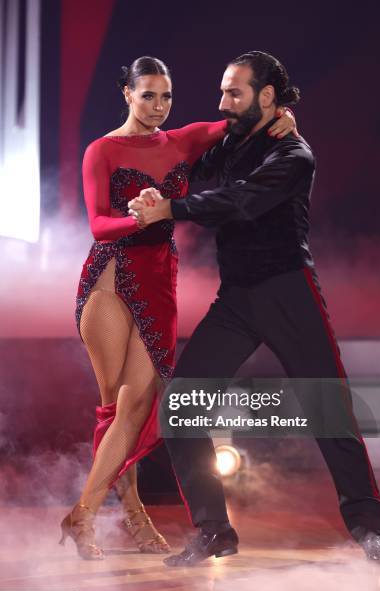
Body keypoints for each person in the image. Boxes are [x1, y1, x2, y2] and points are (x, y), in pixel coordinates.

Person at [128, 51, 380, 566]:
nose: (222, 102)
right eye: (223, 91)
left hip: (288, 292)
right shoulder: (231, 140)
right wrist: (154, 191)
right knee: (179, 408)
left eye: (234, 93)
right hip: (238, 298)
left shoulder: (295, 155)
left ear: (266, 97)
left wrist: (170, 209)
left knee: (329, 412)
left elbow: (239, 200)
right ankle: (214, 532)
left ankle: (369, 530)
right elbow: (187, 162)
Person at [59, 55, 296, 560]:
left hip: (159, 285)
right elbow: (99, 225)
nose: (159, 106)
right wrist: (141, 217)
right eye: (148, 95)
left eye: (166, 96)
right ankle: (125, 516)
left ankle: (85, 514)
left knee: (137, 406)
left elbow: (240, 117)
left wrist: (283, 118)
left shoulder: (183, 140)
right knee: (115, 409)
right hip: (108, 280)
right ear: (127, 94)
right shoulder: (101, 150)